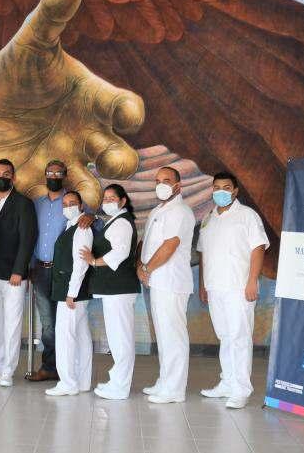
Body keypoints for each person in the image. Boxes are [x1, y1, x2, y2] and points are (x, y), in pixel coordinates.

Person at [197, 172, 269, 409]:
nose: (221, 191)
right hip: (214, 287)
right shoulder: (209, 218)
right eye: (216, 187)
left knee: (239, 338)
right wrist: (203, 284)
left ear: (235, 191)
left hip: (239, 287)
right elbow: (203, 253)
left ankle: (241, 389)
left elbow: (258, 248)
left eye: (226, 187)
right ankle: (227, 382)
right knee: (225, 337)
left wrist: (252, 281)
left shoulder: (247, 216)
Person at [137, 167, 196, 404]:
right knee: (163, 335)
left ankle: (174, 388)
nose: (161, 185)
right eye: (158, 181)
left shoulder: (180, 211)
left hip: (171, 281)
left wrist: (147, 269)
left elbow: (170, 245)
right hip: (157, 281)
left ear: (178, 185)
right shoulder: (158, 210)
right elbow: (147, 243)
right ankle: (165, 381)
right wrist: (142, 267)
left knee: (173, 335)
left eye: (167, 180)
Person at [0, 159, 38, 387]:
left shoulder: (24, 203)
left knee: (12, 323)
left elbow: (28, 239)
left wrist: (19, 270)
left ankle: (8, 370)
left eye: (6, 173)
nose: (1, 176)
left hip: (14, 275)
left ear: (13, 177)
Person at [80, 184, 140, 400]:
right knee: (116, 338)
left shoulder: (122, 223)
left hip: (119, 288)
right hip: (113, 289)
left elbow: (120, 252)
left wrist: (94, 261)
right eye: (105, 198)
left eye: (112, 198)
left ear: (123, 201)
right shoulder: (114, 221)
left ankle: (121, 387)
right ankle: (117, 381)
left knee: (121, 338)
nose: (107, 202)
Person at [45, 191, 94, 396]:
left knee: (65, 336)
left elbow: (81, 263)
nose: (68, 207)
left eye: (72, 203)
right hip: (74, 291)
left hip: (72, 292)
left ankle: (67, 383)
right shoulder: (71, 225)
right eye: (64, 204)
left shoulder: (82, 228)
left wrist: (71, 292)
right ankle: (82, 381)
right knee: (81, 336)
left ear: (81, 205)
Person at [27, 160, 68, 382]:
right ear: (45, 175)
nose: (53, 177)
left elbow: (93, 224)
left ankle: (67, 368)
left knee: (66, 322)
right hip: (40, 271)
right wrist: (30, 266)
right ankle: (50, 367)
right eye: (50, 173)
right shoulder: (36, 204)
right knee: (48, 324)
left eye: (58, 173)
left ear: (65, 175)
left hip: (63, 273)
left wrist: (90, 217)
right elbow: (30, 235)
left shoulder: (72, 202)